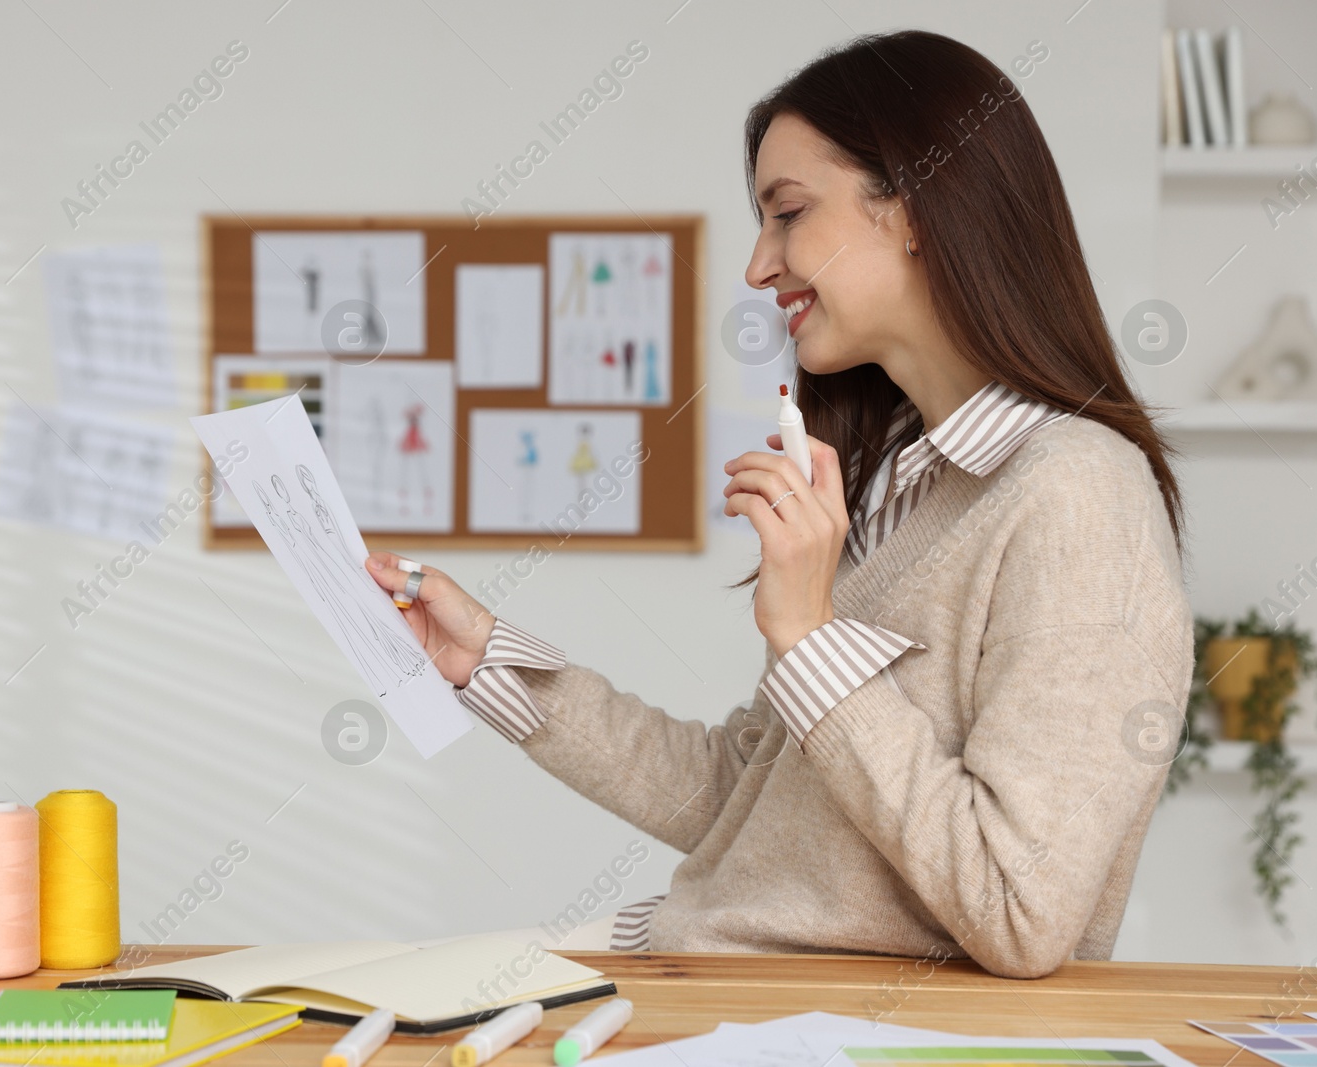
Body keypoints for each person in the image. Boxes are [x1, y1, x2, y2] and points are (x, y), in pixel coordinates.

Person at [366, 30, 1193, 979]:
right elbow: (749, 799)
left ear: (916, 207)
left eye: (787, 213)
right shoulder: (913, 492)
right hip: (719, 989)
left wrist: (809, 635)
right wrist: (489, 663)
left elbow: (1022, 908)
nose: (759, 267)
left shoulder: (1077, 494)